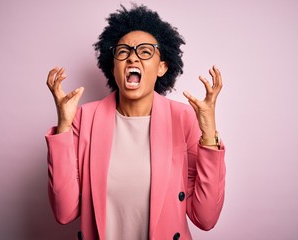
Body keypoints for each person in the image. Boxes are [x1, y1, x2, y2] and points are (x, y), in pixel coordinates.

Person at [45, 4, 226, 240]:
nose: (132, 57)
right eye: (123, 51)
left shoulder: (183, 119)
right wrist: (64, 128)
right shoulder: (84, 118)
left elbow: (206, 218)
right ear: (113, 66)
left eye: (145, 51)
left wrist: (209, 134)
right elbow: (64, 212)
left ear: (162, 67)